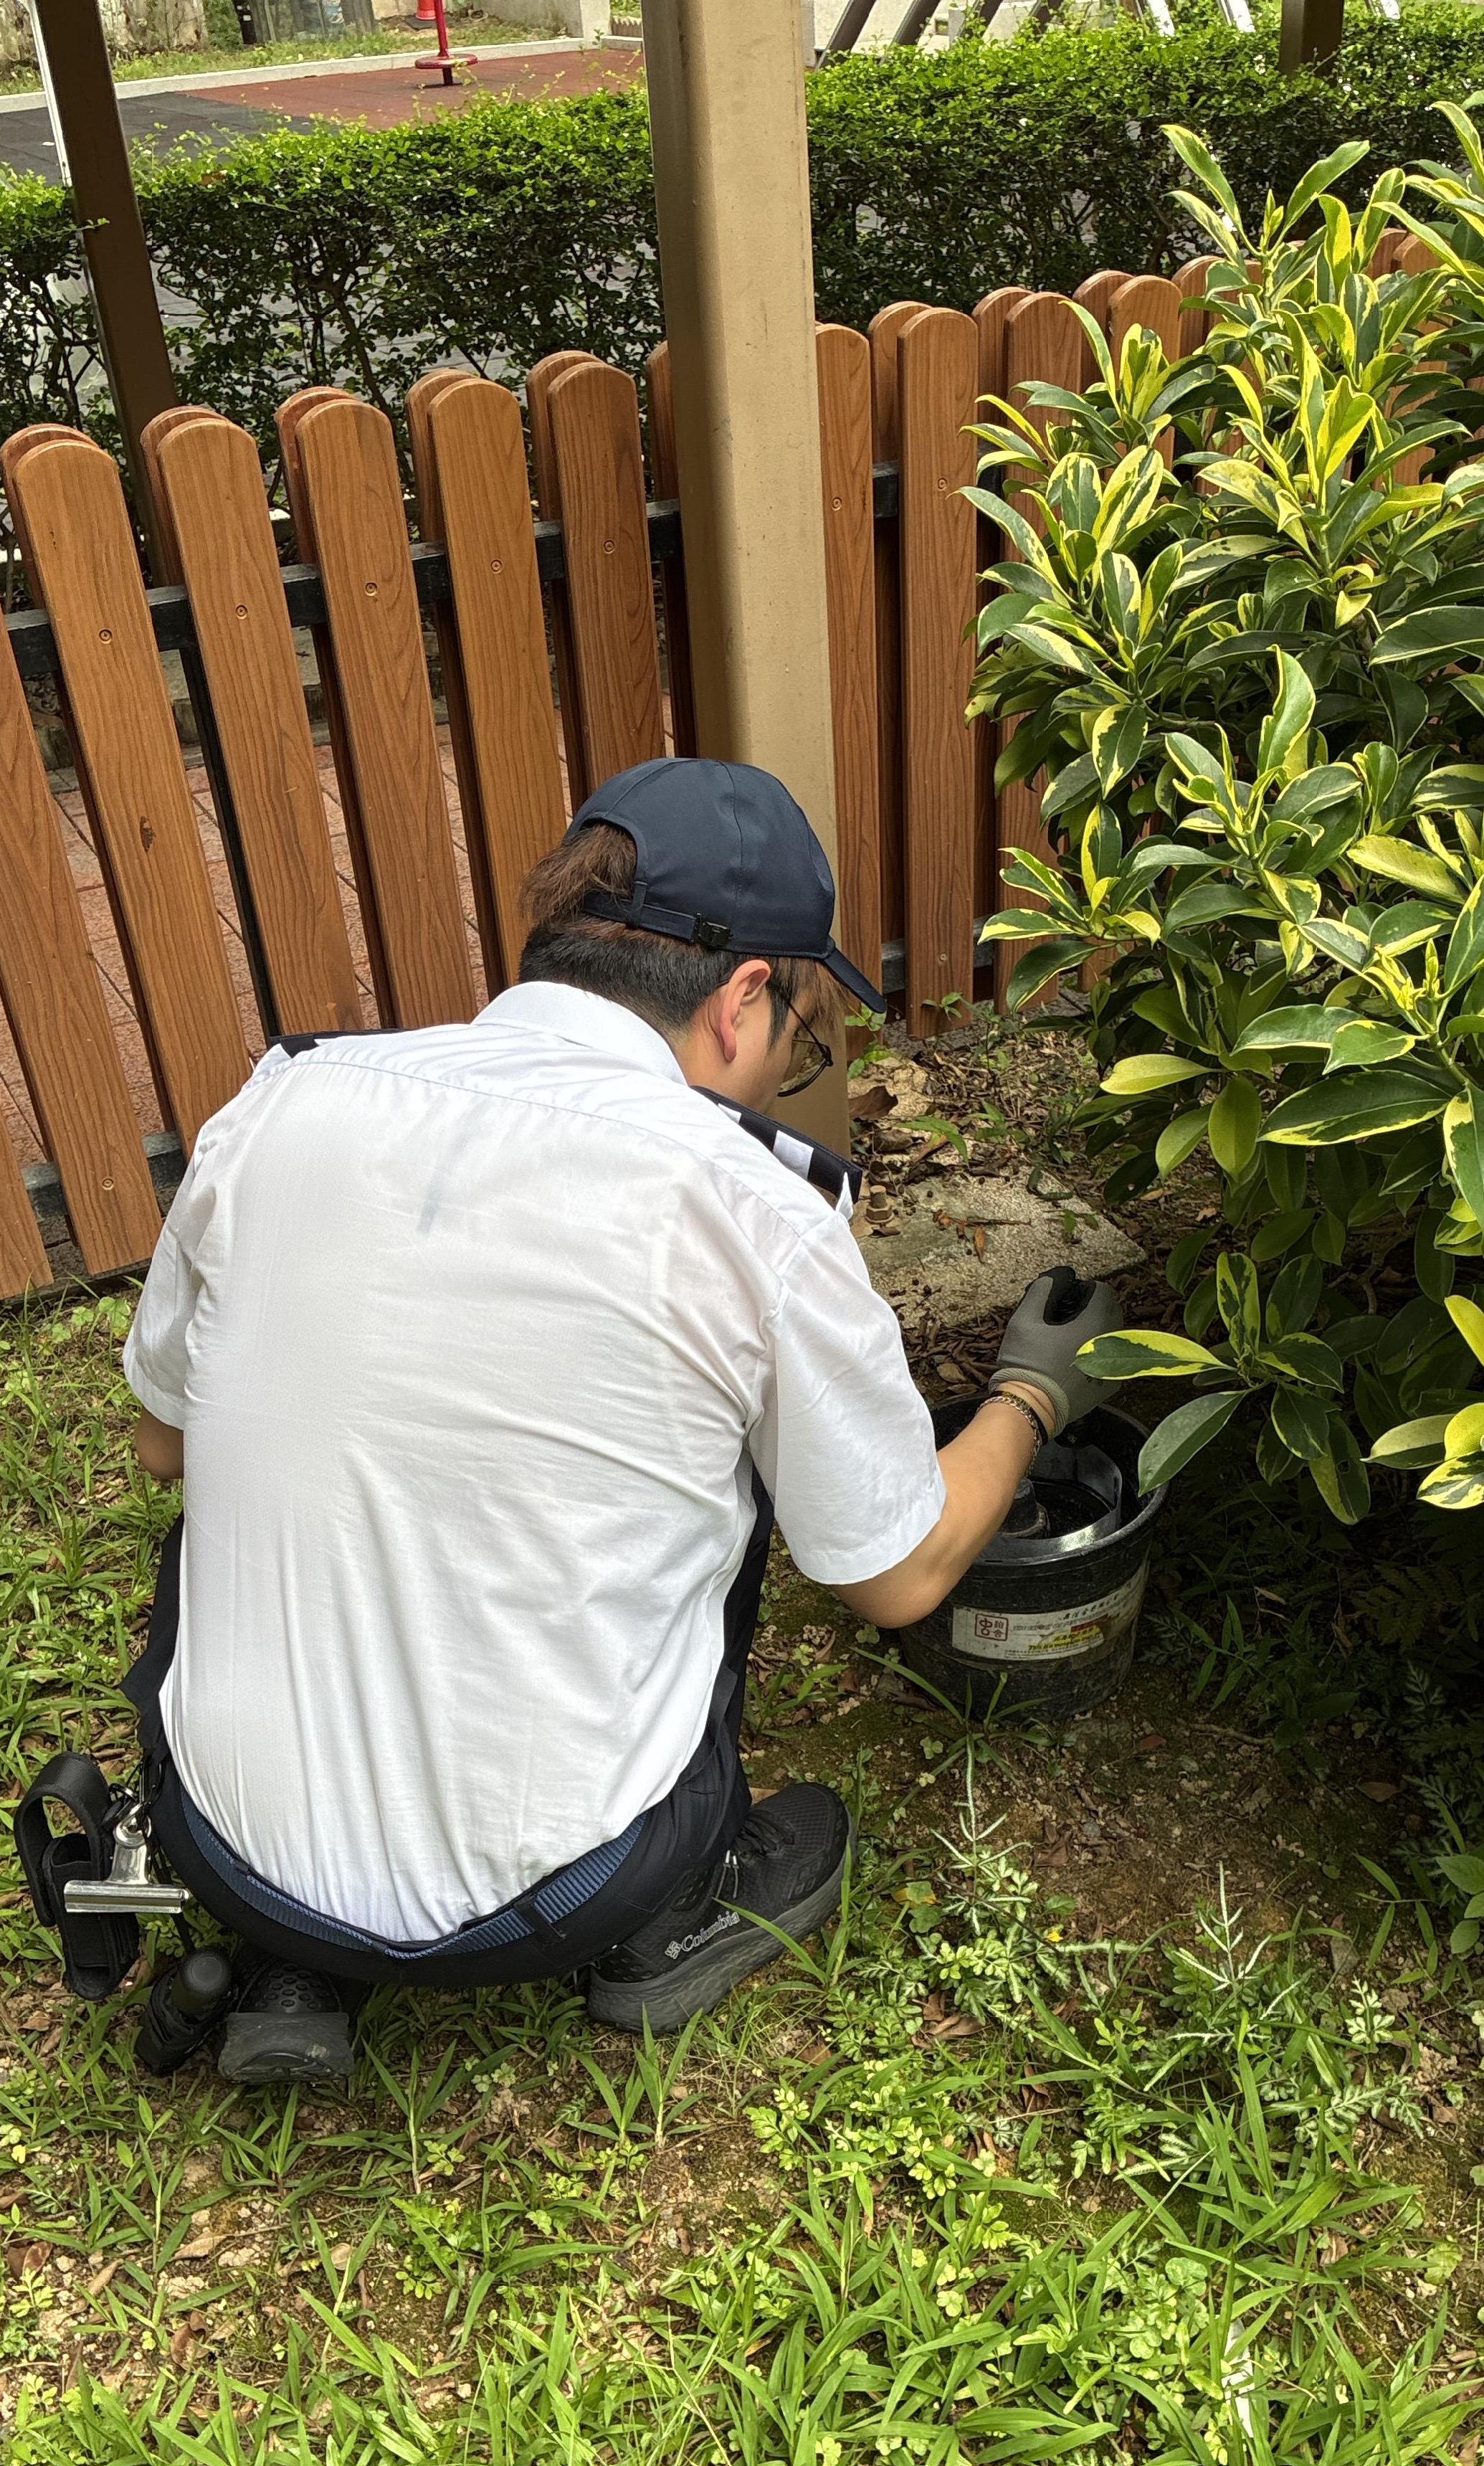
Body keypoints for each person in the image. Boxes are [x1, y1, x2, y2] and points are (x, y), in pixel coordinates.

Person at [109, 757, 1121, 2084]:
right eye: (800, 1046)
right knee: (738, 1483)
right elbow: (897, 1571)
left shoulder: (285, 1099)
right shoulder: (751, 1204)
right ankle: (674, 1916)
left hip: (223, 1848)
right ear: (741, 997)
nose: (780, 1081)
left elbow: (166, 1443)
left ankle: (308, 1949)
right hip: (570, 1887)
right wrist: (1035, 1392)